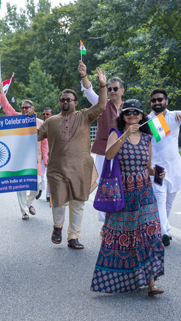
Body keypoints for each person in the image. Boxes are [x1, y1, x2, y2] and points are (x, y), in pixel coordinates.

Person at [91, 99, 165, 295]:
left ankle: (151, 283)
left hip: (144, 192)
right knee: (121, 236)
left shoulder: (148, 139)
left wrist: (156, 172)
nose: (132, 115)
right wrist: (125, 134)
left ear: (142, 116)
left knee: (149, 234)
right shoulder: (115, 133)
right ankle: (119, 281)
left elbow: (147, 166)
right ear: (122, 116)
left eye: (136, 113)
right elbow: (109, 155)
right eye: (128, 113)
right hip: (122, 191)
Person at [37, 67, 107, 249]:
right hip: (57, 168)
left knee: (77, 204)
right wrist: (10, 129)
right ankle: (57, 227)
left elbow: (101, 106)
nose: (65, 102)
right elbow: (33, 136)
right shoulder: (50, 121)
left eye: (69, 99)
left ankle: (73, 237)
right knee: (58, 202)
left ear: (75, 102)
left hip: (80, 168)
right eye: (62, 100)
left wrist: (102, 85)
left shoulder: (84, 116)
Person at [0, 82, 48, 220]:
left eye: (27, 107)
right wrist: (1, 91)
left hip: (34, 160)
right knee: (21, 187)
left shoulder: (39, 123)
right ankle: (24, 211)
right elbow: (7, 108)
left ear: (32, 108)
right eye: (22, 107)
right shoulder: (16, 118)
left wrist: (46, 159)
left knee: (36, 184)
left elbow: (44, 143)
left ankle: (29, 202)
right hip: (19, 160)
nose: (24, 110)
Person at [80, 62, 124, 222]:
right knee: (104, 183)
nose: (111, 91)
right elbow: (88, 91)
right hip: (103, 152)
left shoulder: (129, 109)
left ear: (122, 91)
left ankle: (119, 218)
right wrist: (84, 75)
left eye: (115, 89)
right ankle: (105, 223)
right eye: (109, 89)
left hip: (124, 152)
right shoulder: (102, 104)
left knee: (121, 185)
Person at [149, 89, 181, 247]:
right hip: (158, 167)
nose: (157, 102)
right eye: (154, 100)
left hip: (174, 167)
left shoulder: (175, 116)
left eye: (160, 99)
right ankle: (163, 232)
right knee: (159, 200)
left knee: (169, 202)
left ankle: (163, 228)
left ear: (166, 101)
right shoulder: (149, 121)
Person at [38, 107, 54, 202]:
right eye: (44, 114)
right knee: (41, 176)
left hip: (52, 154)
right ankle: (40, 188)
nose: (45, 116)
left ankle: (48, 195)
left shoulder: (56, 125)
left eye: (48, 114)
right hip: (41, 155)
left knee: (50, 176)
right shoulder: (39, 125)